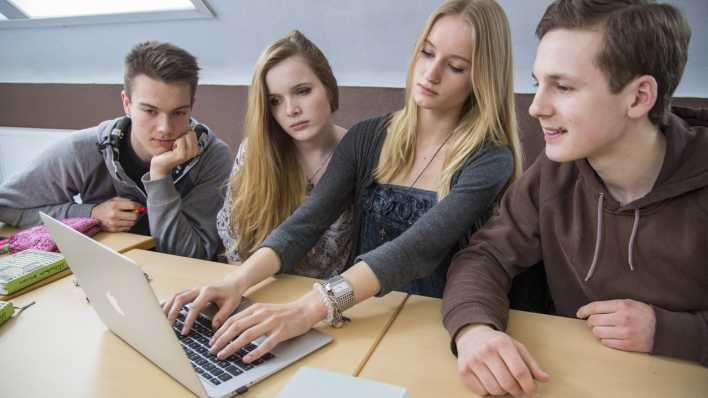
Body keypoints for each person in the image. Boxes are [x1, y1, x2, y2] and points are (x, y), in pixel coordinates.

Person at [164, 0, 521, 365]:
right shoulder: (368, 137)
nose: (430, 74)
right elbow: (307, 221)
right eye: (427, 53)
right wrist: (236, 282)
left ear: (483, 78)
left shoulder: (490, 159)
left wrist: (306, 310)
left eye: (456, 67)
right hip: (360, 315)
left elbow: (415, 250)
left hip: (436, 327)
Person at [442, 1, 707, 396]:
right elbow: (485, 256)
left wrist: (670, 331)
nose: (535, 107)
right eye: (538, 84)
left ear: (638, 98)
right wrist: (474, 329)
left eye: (562, 87)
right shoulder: (554, 171)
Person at [0, 41, 231, 259]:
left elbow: (190, 257)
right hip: (101, 275)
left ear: (191, 107)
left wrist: (160, 177)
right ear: (127, 104)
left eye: (178, 112)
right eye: (150, 111)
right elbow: (7, 206)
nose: (165, 128)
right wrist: (89, 214)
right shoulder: (85, 148)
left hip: (181, 288)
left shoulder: (213, 157)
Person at [215, 30, 353, 278]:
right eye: (275, 101)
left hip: (333, 302)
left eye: (302, 91)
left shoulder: (360, 152)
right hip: (260, 288)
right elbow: (235, 246)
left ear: (328, 87)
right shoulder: (256, 151)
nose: (291, 110)